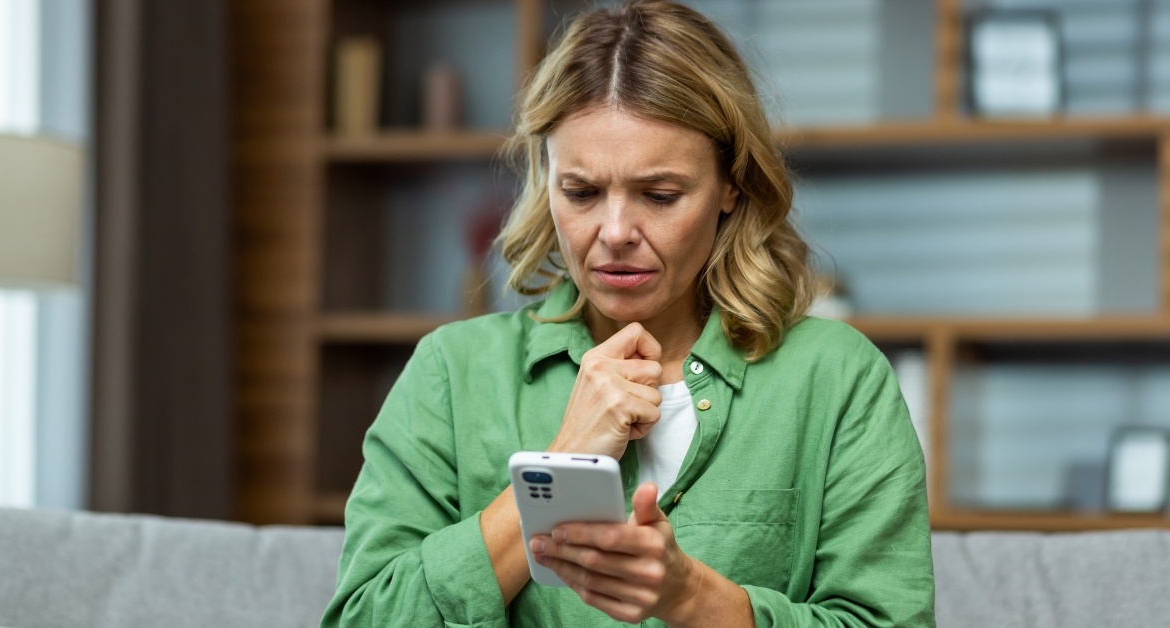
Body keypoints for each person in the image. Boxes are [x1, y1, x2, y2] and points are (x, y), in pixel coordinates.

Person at [320, 1, 935, 626]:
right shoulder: (451, 374)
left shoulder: (836, 379)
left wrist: (692, 597)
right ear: (546, 181)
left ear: (732, 185)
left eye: (660, 195)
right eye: (581, 192)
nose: (615, 232)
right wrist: (560, 465)